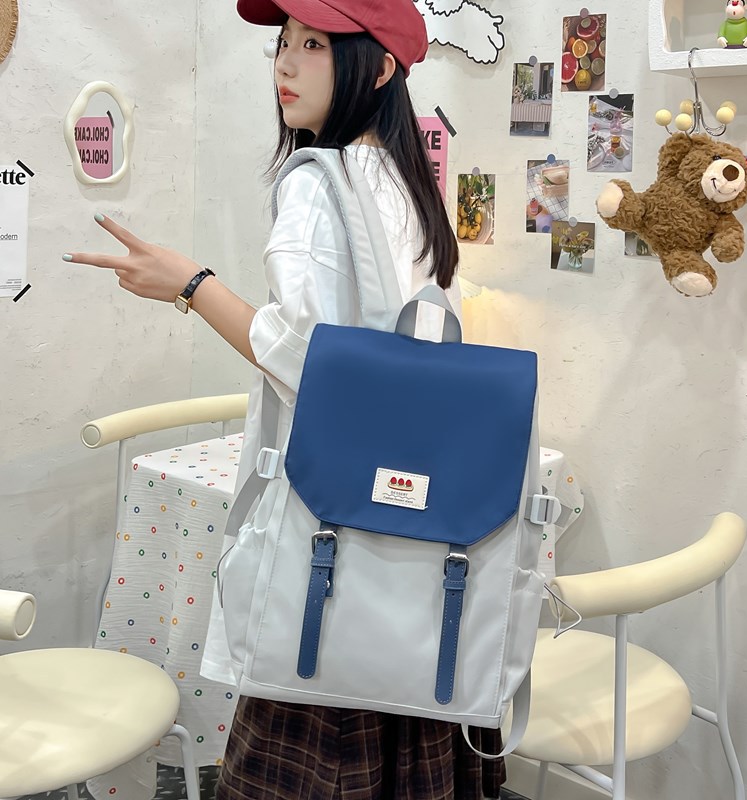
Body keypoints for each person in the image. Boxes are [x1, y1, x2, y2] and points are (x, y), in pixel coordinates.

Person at [64, 0, 506, 797]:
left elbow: (315, 366)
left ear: (380, 67)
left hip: (330, 536)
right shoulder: (412, 187)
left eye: (315, 45)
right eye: (283, 43)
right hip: (415, 543)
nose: (286, 64)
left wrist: (191, 284)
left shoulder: (315, 184)